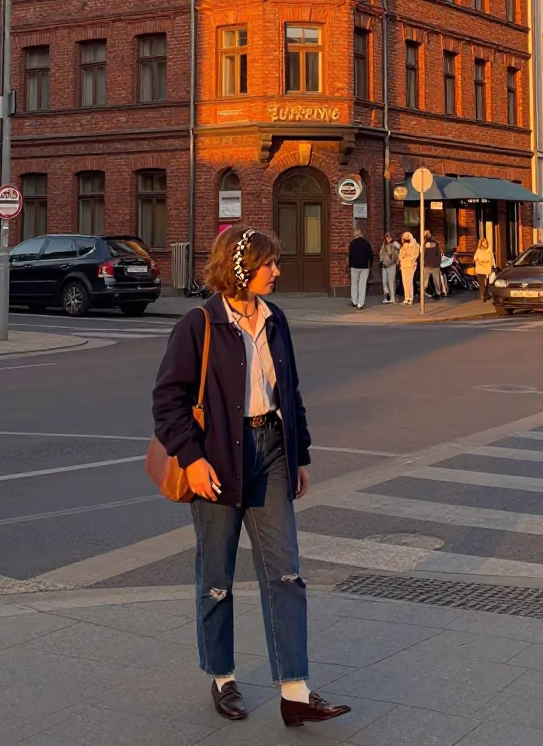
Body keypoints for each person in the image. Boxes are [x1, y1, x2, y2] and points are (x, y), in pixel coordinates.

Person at [152, 225, 350, 729]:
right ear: (241, 269)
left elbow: (292, 393)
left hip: (271, 454)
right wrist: (192, 459)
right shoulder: (199, 325)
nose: (277, 271)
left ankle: (295, 690)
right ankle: (222, 677)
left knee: (286, 574)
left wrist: (299, 454)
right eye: (270, 263)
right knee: (216, 577)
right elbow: (168, 402)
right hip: (216, 460)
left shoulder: (275, 319)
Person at [348, 227, 373, 310]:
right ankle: (360, 303)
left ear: (354, 234)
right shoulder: (366, 243)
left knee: (354, 284)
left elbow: (350, 256)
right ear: (361, 234)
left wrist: (350, 265)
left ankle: (354, 301)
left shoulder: (352, 243)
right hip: (365, 267)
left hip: (354, 266)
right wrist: (371, 264)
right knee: (362, 285)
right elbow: (371, 255)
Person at [398, 232, 419, 304]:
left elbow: (415, 256)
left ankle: (410, 298)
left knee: (408, 282)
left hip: (410, 265)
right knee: (406, 282)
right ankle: (407, 297)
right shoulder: (403, 247)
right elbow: (400, 256)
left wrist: (406, 257)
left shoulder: (415, 246)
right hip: (405, 265)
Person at [423, 231, 445, 299]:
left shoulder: (424, 244)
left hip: (427, 265)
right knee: (436, 280)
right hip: (435, 265)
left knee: (425, 281)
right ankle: (438, 292)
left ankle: (422, 292)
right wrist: (438, 263)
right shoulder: (436, 244)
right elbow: (439, 255)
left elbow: (423, 255)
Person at [473, 237, 496, 302]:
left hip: (487, 270)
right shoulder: (478, 250)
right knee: (481, 284)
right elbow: (475, 258)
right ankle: (483, 295)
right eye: (484, 243)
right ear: (481, 244)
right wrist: (479, 261)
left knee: (487, 284)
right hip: (480, 269)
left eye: (486, 243)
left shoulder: (489, 251)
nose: (485, 244)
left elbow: (491, 260)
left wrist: (493, 267)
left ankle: (486, 294)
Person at [379, 233, 399, 304]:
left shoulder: (394, 244)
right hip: (384, 264)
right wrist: (381, 261)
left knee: (391, 281)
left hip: (392, 264)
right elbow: (381, 253)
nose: (388, 239)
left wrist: (392, 241)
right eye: (386, 238)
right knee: (384, 281)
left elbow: (399, 247)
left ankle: (392, 297)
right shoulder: (384, 245)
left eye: (389, 238)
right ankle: (387, 295)